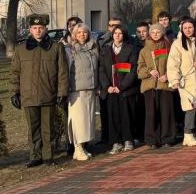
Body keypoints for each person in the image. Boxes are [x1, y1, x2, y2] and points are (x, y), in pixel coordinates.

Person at [10, 14, 68, 167]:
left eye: (40, 28)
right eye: (34, 28)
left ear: (46, 29)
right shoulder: (21, 49)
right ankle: (35, 156)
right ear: (30, 29)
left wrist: (62, 93)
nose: (37, 31)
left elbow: (62, 72)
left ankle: (48, 156)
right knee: (33, 128)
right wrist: (14, 92)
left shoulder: (56, 48)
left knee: (48, 128)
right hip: (28, 96)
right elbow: (15, 73)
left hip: (48, 94)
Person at [99, 24, 141, 154]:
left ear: (124, 35)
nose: (117, 35)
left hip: (125, 89)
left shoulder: (131, 49)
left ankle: (128, 140)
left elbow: (133, 69)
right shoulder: (105, 50)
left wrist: (121, 86)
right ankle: (116, 142)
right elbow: (101, 70)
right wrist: (108, 86)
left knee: (127, 115)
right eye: (115, 33)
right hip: (111, 90)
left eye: (120, 33)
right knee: (113, 116)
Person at [167, 18, 196, 147]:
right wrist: (174, 80)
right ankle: (187, 134)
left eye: (190, 27)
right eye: (185, 28)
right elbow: (173, 63)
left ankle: (193, 133)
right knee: (190, 108)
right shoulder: (177, 44)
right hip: (185, 81)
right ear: (181, 30)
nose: (188, 30)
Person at [63, 24, 99, 161]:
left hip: (91, 89)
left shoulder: (93, 48)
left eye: (84, 32)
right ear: (74, 35)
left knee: (87, 120)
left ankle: (82, 147)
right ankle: (77, 148)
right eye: (79, 32)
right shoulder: (69, 50)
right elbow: (65, 71)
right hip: (76, 90)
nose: (82, 34)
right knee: (78, 120)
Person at [137, 23, 176, 148]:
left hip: (164, 85)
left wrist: (168, 75)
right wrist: (149, 71)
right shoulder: (144, 50)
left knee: (167, 113)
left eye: (158, 32)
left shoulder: (169, 48)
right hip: (150, 86)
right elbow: (139, 70)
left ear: (162, 33)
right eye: (153, 32)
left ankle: (167, 138)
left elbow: (174, 65)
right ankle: (152, 140)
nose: (155, 34)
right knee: (151, 114)